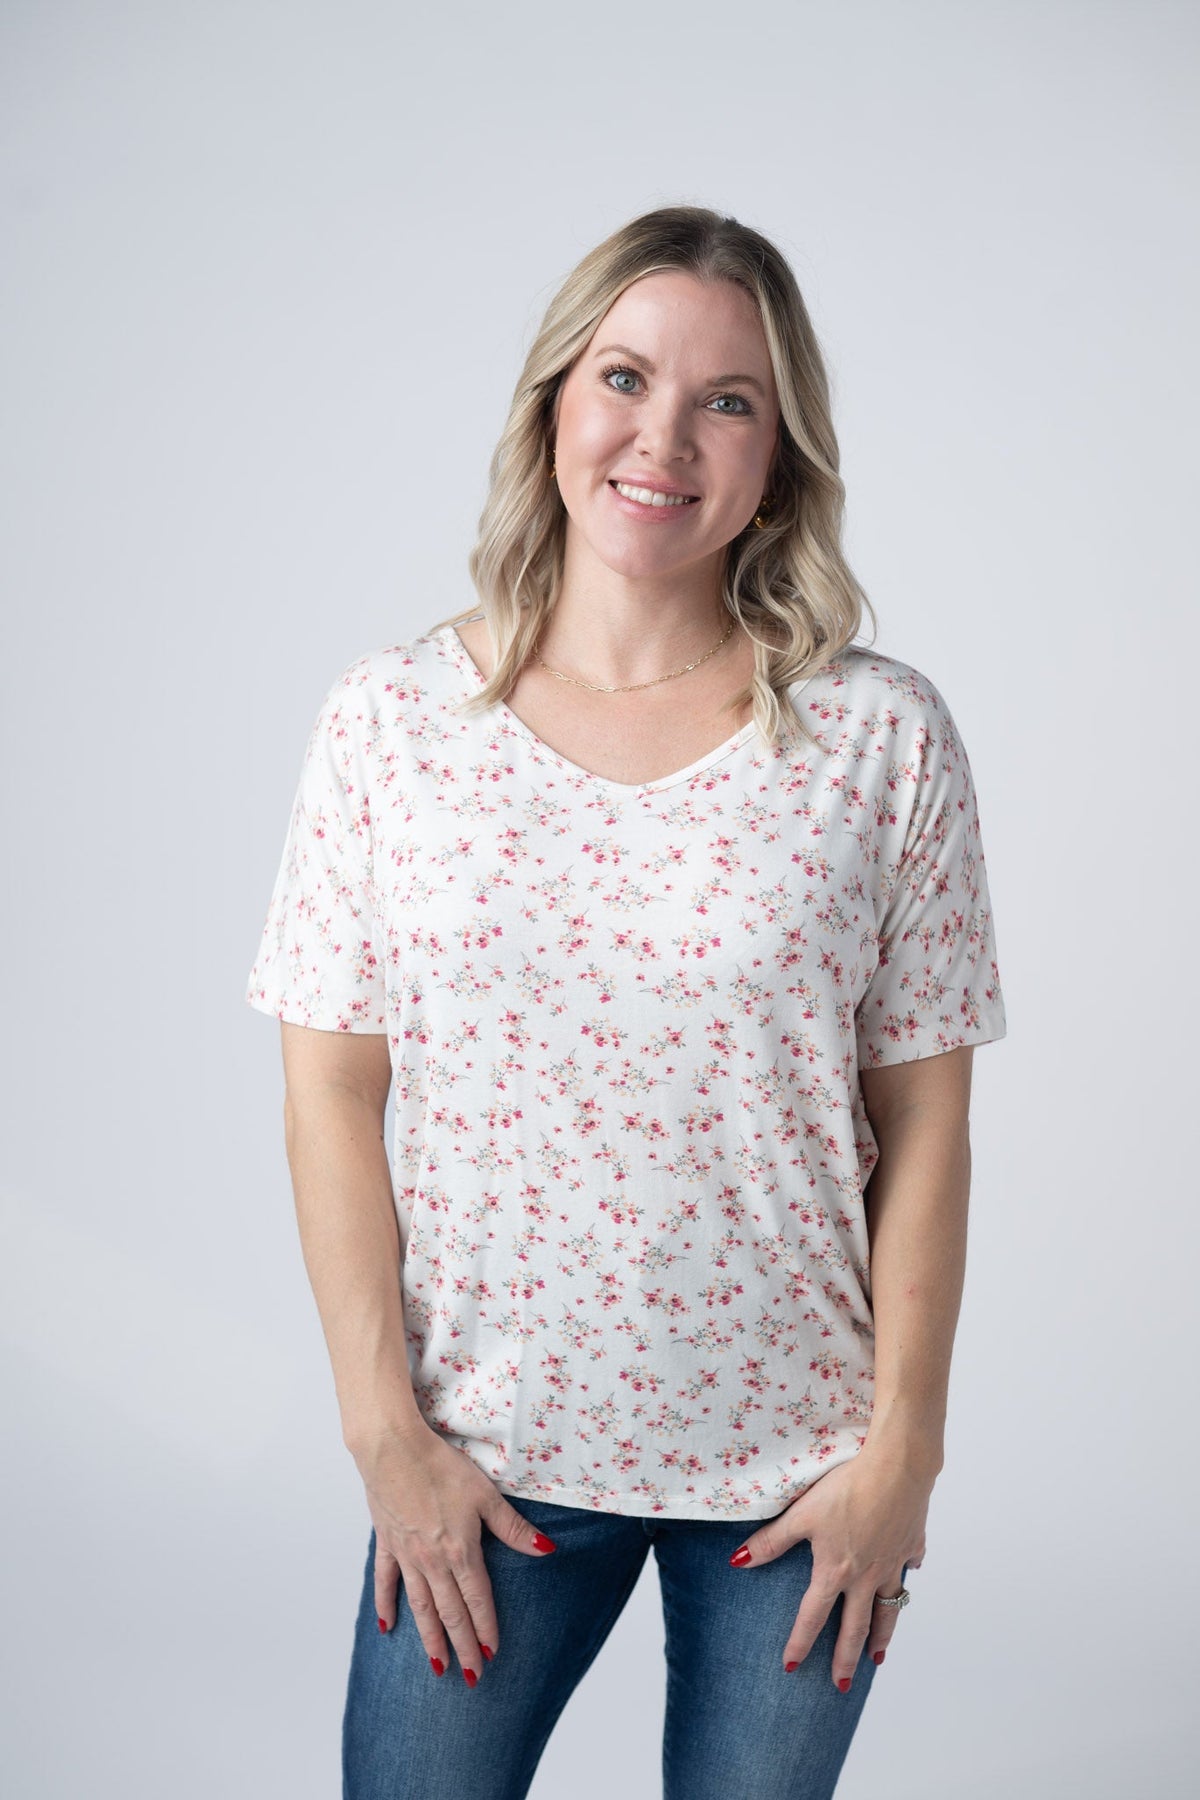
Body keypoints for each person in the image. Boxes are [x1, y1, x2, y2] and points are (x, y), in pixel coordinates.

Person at [245, 204, 1007, 1800]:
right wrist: (387, 1436)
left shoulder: (880, 740)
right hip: (489, 1466)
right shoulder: (395, 723)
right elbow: (333, 1091)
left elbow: (925, 1123)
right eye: (625, 377)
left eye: (729, 399)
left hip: (797, 1485)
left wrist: (901, 1462)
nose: (666, 437)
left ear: (780, 453)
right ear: (553, 408)